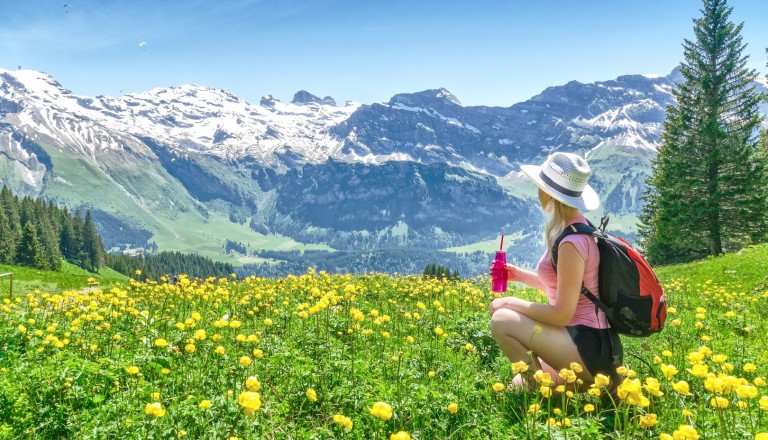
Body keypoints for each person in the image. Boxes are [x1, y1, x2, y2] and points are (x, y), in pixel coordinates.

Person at [489, 152, 621, 391]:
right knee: (515, 386)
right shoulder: (577, 229)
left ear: (549, 194)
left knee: (502, 320)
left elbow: (562, 313)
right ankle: (539, 388)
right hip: (589, 344)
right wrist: (518, 275)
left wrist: (511, 302)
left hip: (587, 347)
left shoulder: (572, 243)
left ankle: (540, 393)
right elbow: (566, 291)